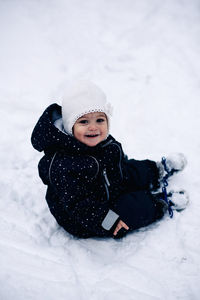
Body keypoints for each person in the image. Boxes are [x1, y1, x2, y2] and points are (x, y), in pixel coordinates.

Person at [31, 80, 188, 239]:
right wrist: (108, 221)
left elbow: (117, 161)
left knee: (129, 170)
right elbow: (80, 206)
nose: (93, 127)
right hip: (88, 216)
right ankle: (158, 203)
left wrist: (124, 166)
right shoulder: (63, 166)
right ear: (70, 127)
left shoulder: (95, 140)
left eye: (100, 120)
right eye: (84, 121)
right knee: (129, 209)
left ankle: (156, 170)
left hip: (106, 182)